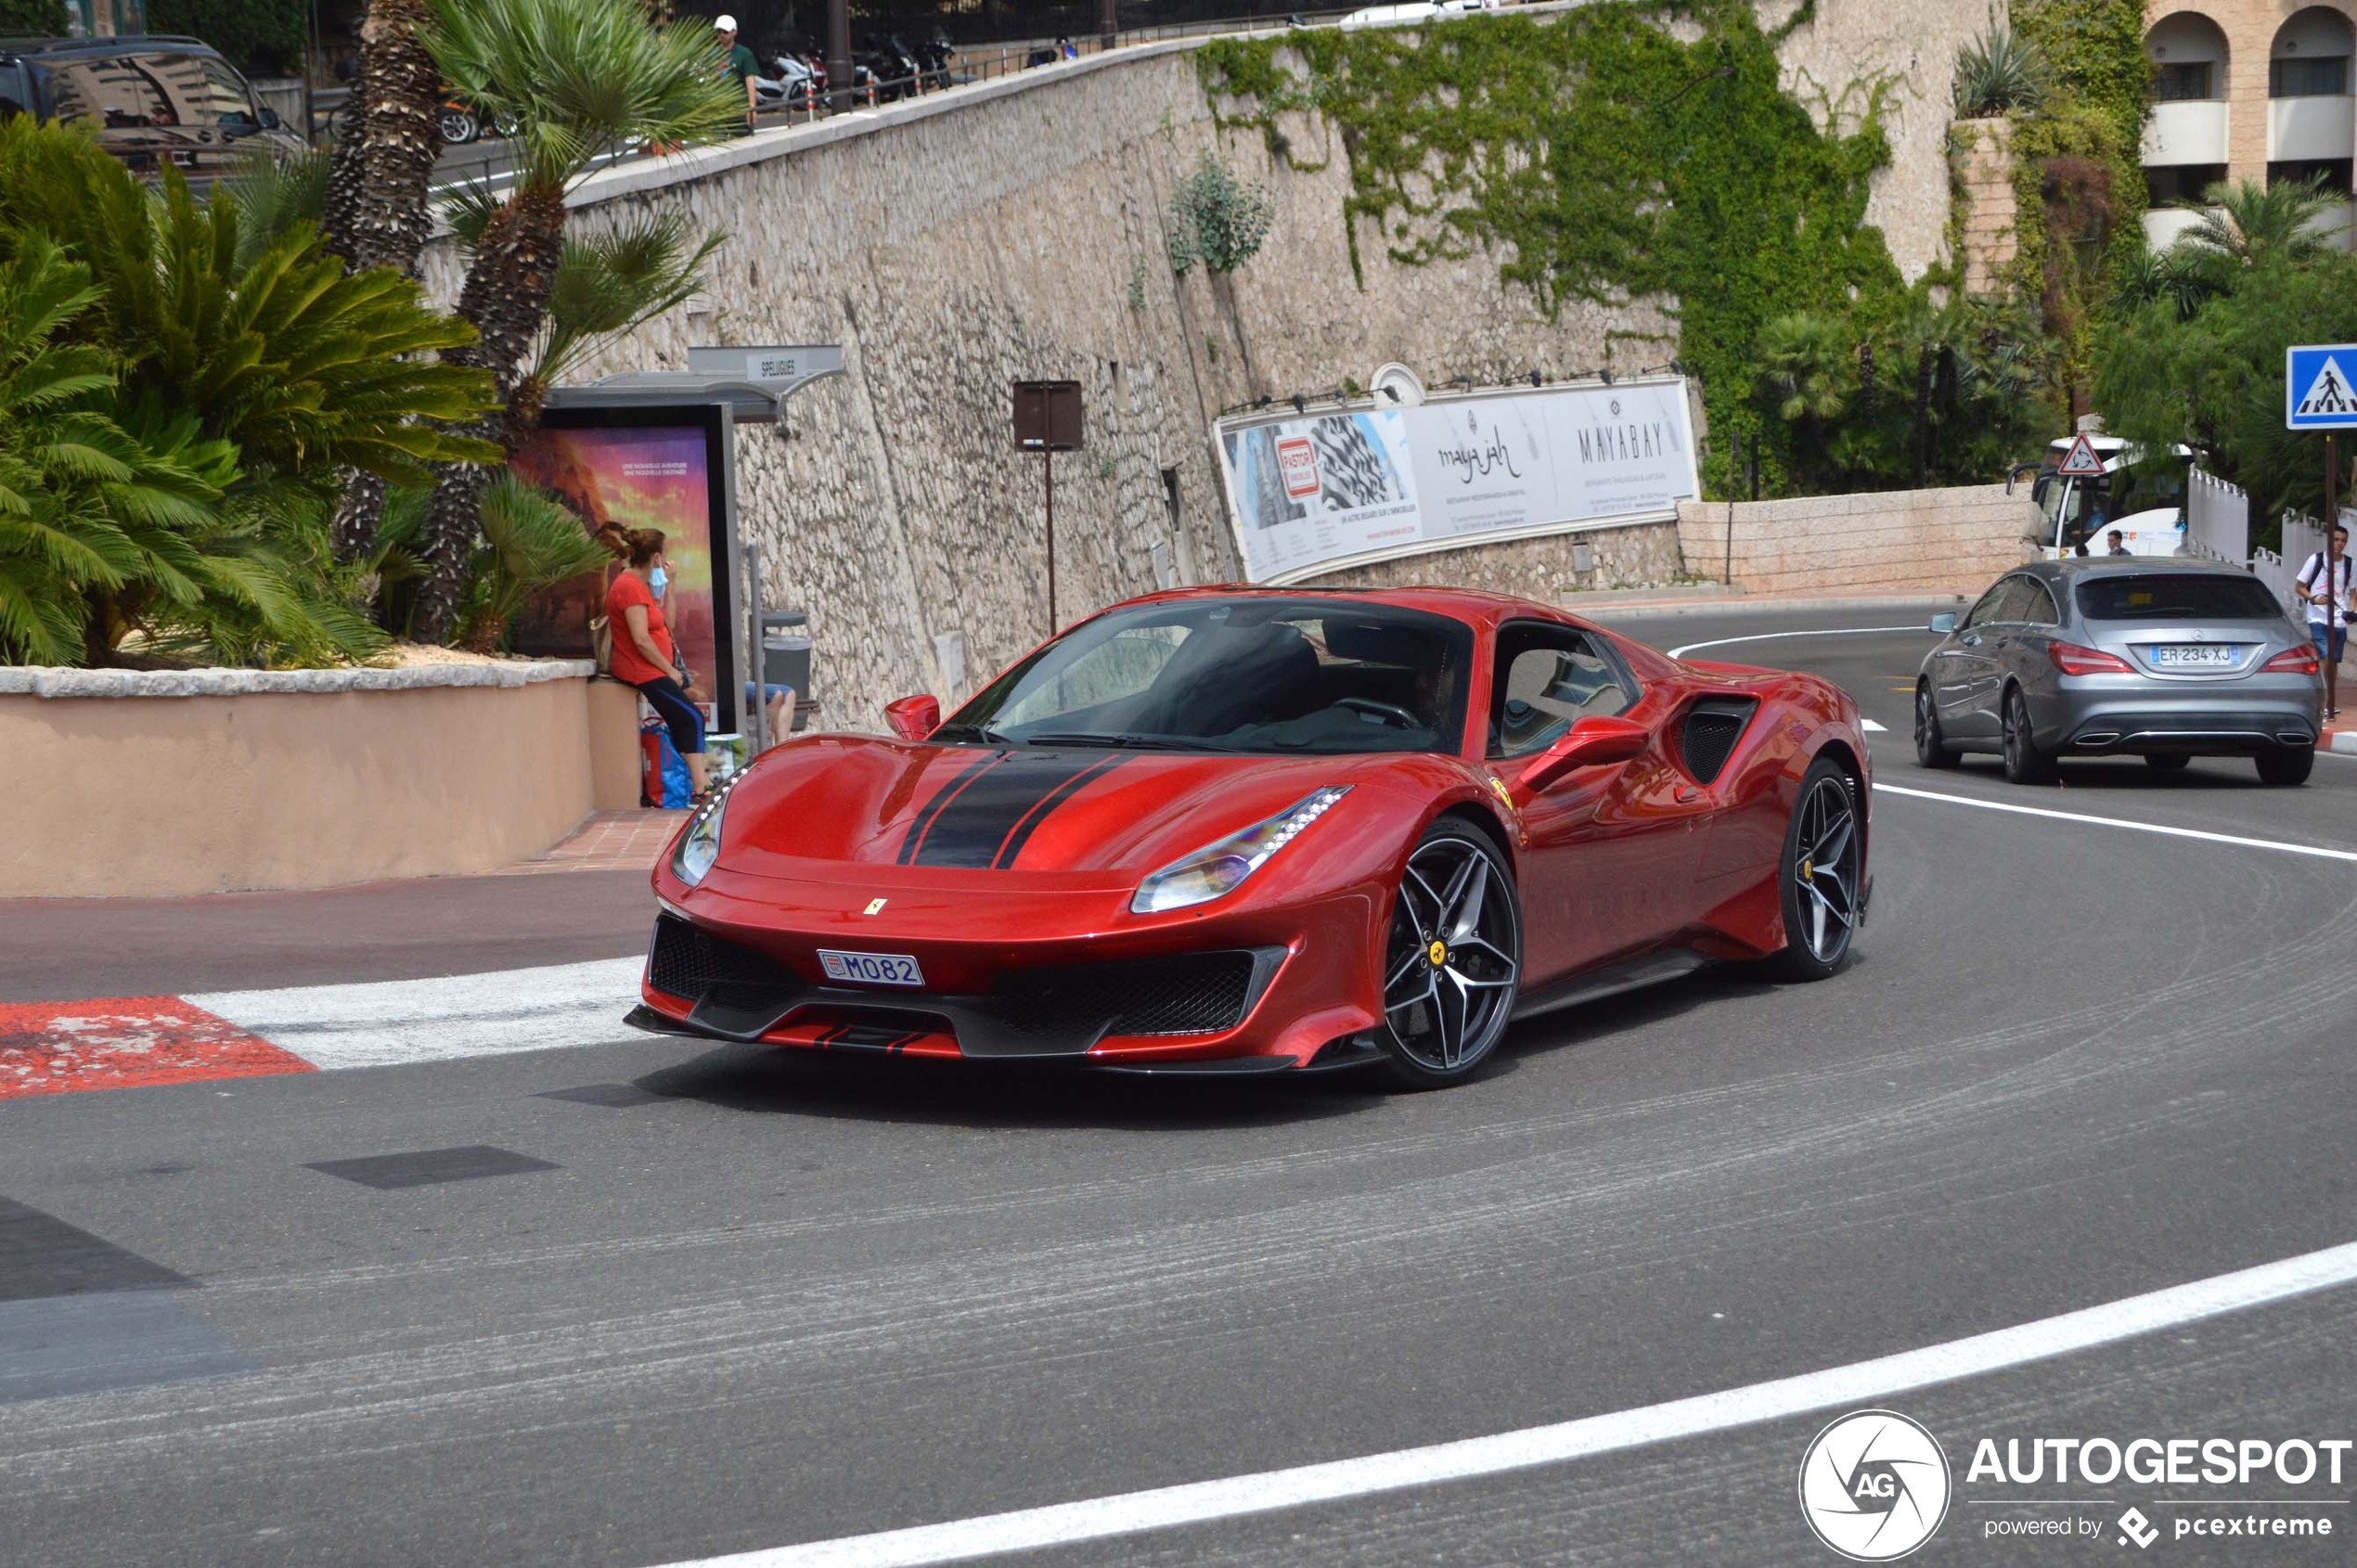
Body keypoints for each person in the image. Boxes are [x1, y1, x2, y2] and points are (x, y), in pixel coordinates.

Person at [599, 523, 710, 801]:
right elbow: (641, 639)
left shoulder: (641, 586)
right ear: (657, 557)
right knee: (692, 718)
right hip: (643, 670)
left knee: (683, 721)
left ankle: (696, 786)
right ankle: (702, 788)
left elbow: (667, 625)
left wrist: (671, 584)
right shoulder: (628, 587)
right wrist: (669, 670)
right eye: (666, 552)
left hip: (654, 668)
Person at [2297, 523, 2352, 720]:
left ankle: (2331, 698)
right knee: (2325, 656)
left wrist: (2352, 611)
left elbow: (2353, 593)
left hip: (2338, 618)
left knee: (2334, 661)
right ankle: (2324, 700)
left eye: (2343, 540)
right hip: (2318, 616)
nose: (2339, 544)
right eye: (2336, 539)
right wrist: (2313, 598)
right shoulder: (2316, 559)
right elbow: (2299, 586)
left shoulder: (2349, 564)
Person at [715, 15, 760, 131]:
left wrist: (752, 107)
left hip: (739, 108)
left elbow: (750, 81)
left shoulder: (744, 54)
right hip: (718, 109)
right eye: (719, 32)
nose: (721, 35)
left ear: (734, 32)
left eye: (725, 31)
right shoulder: (713, 54)